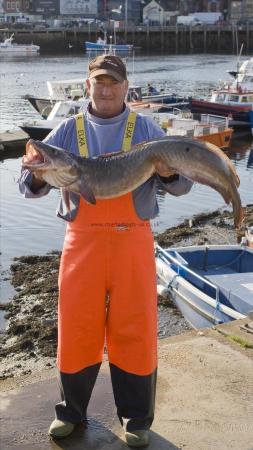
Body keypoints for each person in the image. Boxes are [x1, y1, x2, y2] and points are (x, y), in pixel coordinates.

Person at [19, 54, 192, 447]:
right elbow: (27, 186)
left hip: (133, 243)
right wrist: (36, 176)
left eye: (113, 81)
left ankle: (136, 419)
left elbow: (182, 187)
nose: (107, 88)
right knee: (77, 329)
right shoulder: (67, 129)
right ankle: (70, 413)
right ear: (88, 86)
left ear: (126, 86)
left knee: (135, 330)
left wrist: (171, 173)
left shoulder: (146, 128)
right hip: (82, 247)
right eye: (100, 81)